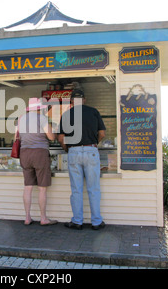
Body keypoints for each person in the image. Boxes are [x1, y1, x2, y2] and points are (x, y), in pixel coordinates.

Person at [58, 89, 106, 230]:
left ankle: (77, 221)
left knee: (76, 189)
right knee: (94, 188)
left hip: (74, 151)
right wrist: (93, 143)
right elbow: (102, 133)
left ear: (72, 101)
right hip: (91, 151)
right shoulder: (93, 112)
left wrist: (68, 149)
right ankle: (96, 222)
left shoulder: (66, 114)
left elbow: (61, 138)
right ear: (84, 99)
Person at [18, 97, 58, 226]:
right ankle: (43, 218)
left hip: (24, 153)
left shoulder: (21, 119)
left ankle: (27, 217)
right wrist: (54, 132)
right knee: (42, 189)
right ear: (40, 108)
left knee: (28, 187)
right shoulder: (42, 119)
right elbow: (51, 137)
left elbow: (16, 137)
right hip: (39, 153)